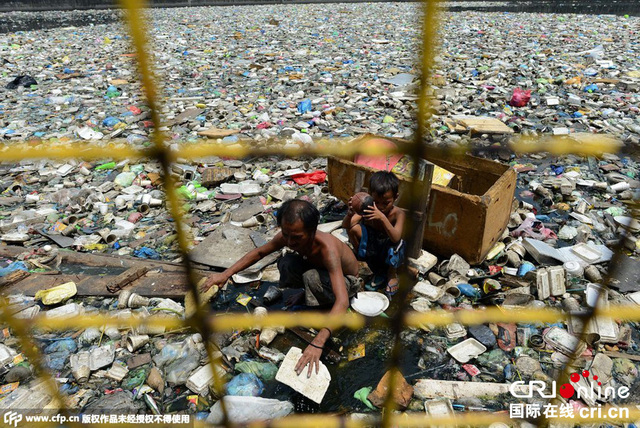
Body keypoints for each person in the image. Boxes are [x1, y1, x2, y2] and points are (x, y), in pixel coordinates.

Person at [201, 199, 361, 377]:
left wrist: (318, 341)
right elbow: (259, 253)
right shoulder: (289, 236)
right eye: (286, 235)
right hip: (321, 273)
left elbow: (342, 300)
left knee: (311, 278)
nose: (290, 242)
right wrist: (226, 274)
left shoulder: (327, 249)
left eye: (297, 237)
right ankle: (310, 294)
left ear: (312, 230)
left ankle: (323, 307)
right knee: (286, 262)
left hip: (348, 282)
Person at [342, 171, 406, 296]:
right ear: (370, 196)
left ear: (395, 197)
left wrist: (382, 218)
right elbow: (347, 225)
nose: (380, 207)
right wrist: (350, 213)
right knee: (354, 229)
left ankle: (391, 274)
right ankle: (363, 261)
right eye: (376, 202)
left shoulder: (398, 214)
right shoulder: (367, 208)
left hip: (389, 247)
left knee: (398, 244)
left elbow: (396, 237)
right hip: (373, 246)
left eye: (386, 203)